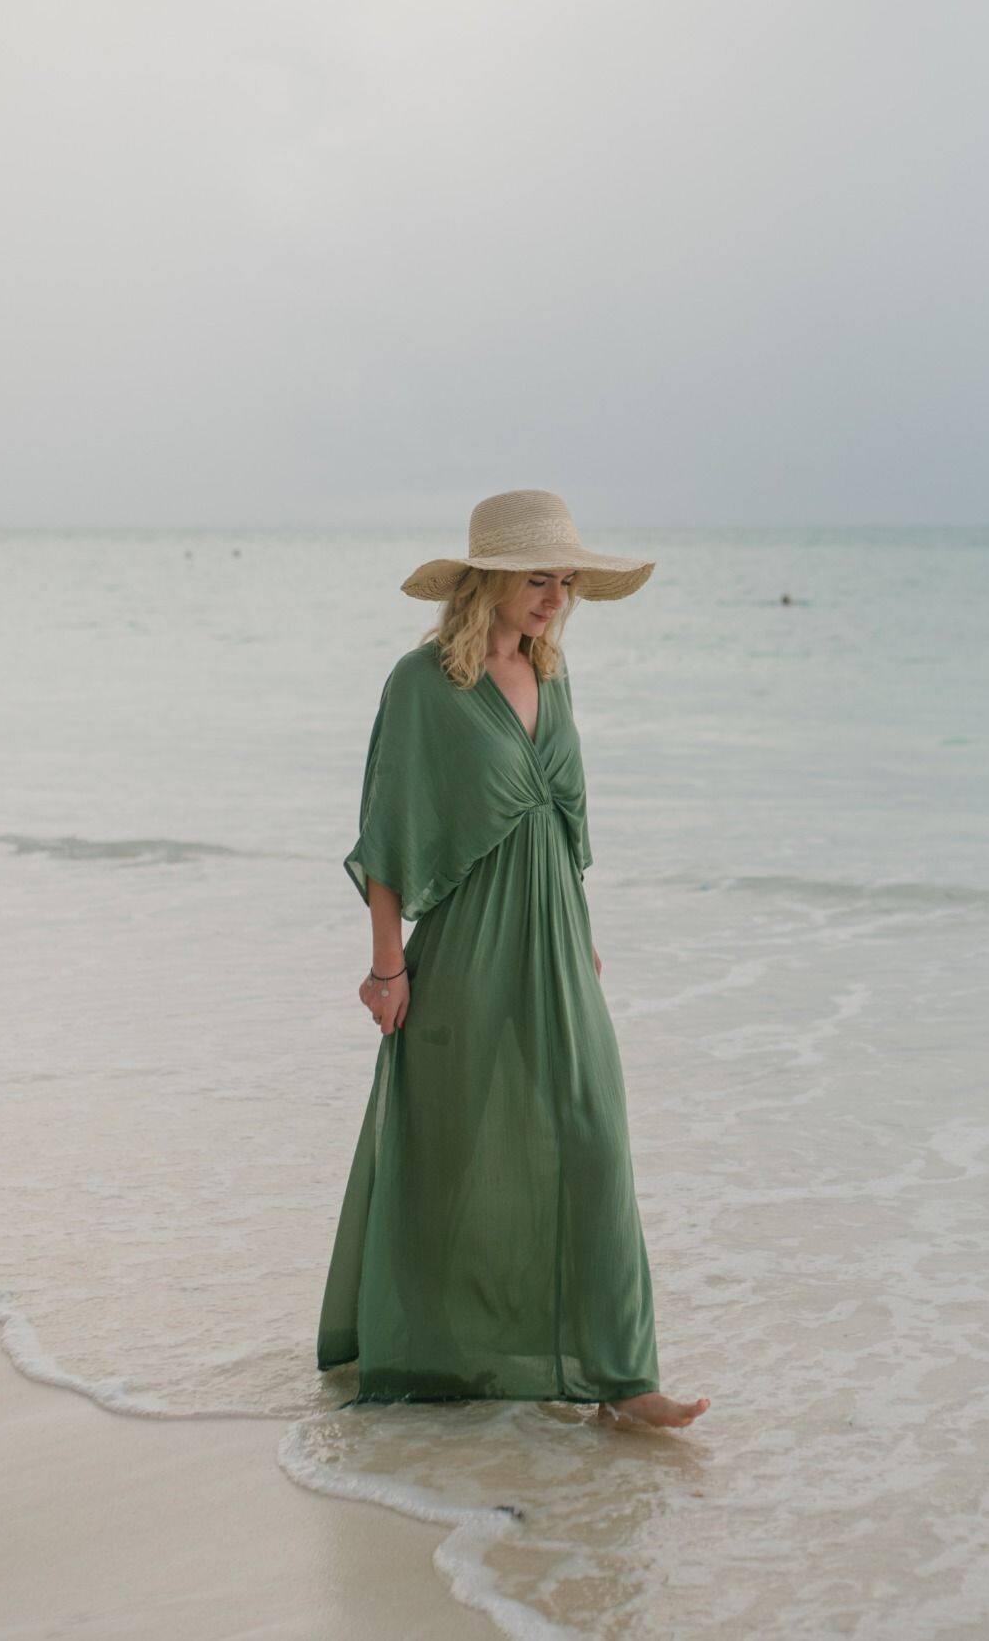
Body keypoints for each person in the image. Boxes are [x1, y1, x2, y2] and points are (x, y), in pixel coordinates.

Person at [316, 489, 710, 1431]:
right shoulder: (423, 687)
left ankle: (623, 1376)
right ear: (488, 580)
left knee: (591, 1133)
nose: (556, 597)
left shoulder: (554, 674)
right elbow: (388, 835)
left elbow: (563, 825)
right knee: (451, 1150)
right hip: (463, 947)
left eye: (566, 580)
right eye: (539, 579)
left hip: (555, 939)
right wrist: (386, 970)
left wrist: (580, 934)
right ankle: (426, 1350)